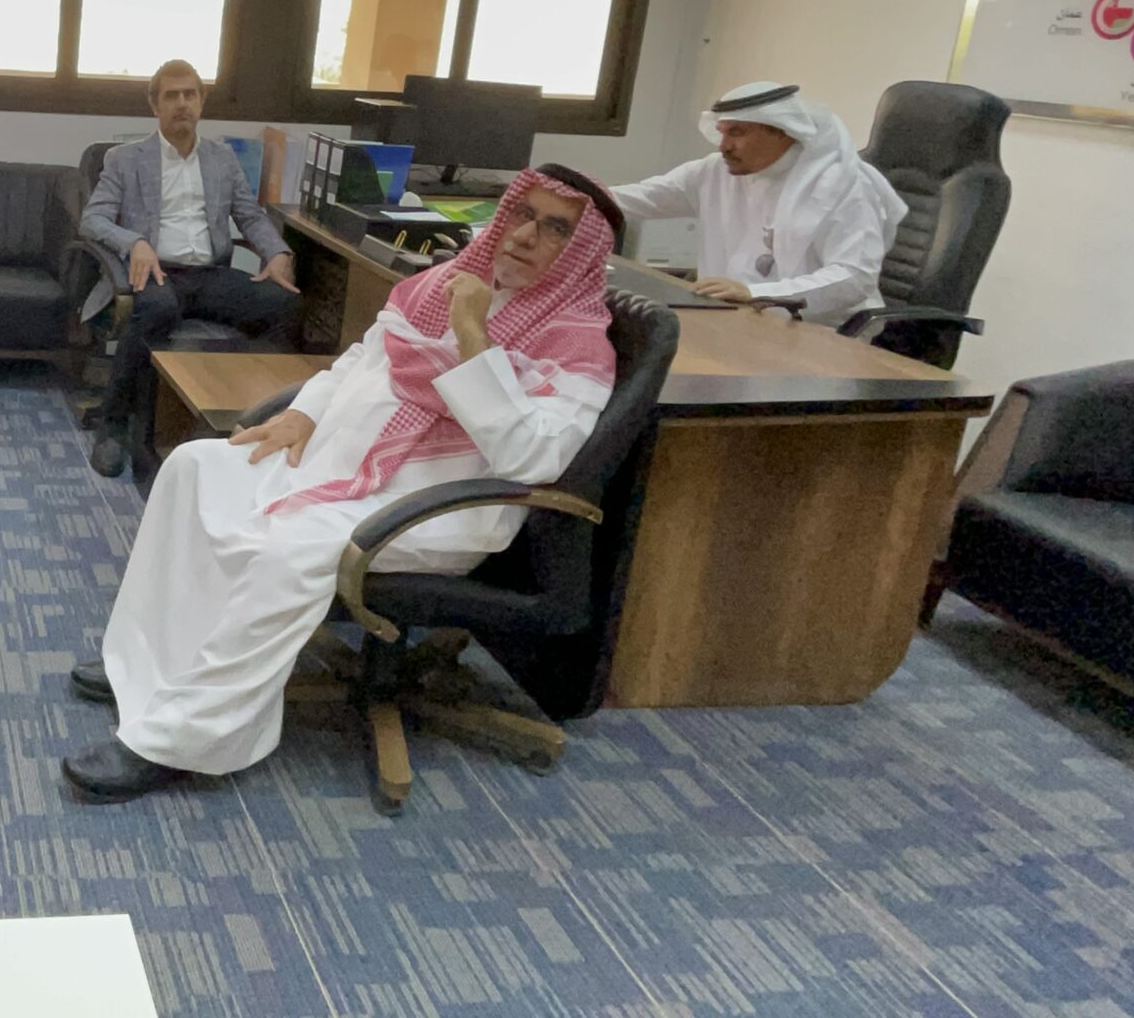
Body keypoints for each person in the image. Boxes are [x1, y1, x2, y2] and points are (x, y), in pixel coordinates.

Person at [62, 167, 621, 803]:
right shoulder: (449, 282)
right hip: (343, 462)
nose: (524, 235)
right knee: (193, 469)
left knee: (283, 551)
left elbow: (531, 457)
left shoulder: (579, 348)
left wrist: (474, 337)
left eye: (555, 229)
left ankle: (177, 739)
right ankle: (148, 665)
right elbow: (362, 359)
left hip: (429, 506)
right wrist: (304, 411)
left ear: (580, 254)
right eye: (523, 214)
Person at [79, 60, 300, 478]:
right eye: (171, 96)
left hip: (210, 274)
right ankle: (114, 425)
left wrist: (277, 253)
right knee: (158, 310)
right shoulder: (124, 159)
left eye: (189, 94)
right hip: (158, 273)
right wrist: (134, 242)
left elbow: (250, 216)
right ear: (155, 106)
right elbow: (92, 220)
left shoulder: (222, 159)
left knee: (283, 304)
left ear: (201, 101)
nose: (181, 103)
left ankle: (255, 417)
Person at [610, 81, 907, 324]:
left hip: (824, 332)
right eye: (722, 133)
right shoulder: (715, 171)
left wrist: (757, 293)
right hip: (735, 316)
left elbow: (853, 279)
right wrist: (581, 192)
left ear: (783, 132)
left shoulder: (841, 185)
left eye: (737, 133)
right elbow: (638, 197)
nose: (724, 146)